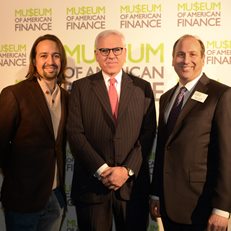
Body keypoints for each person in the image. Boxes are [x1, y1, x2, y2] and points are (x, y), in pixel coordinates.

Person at [67, 29, 156, 231]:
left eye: (116, 49)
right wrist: (102, 170)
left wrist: (126, 170)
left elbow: (148, 133)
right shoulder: (80, 88)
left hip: (132, 188)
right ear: (96, 54)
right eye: (104, 50)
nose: (111, 55)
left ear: (125, 52)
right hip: (92, 187)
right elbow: (75, 133)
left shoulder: (143, 87)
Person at [150, 34, 231, 231]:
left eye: (193, 54)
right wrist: (156, 193)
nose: (186, 60)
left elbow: (227, 154)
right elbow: (163, 149)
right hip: (168, 207)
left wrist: (222, 208)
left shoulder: (220, 94)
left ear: (203, 59)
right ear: (172, 59)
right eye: (180, 54)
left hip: (201, 206)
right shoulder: (168, 97)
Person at [0, 34, 68, 231]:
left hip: (56, 197)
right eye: (44, 56)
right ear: (34, 61)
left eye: (56, 56)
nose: (50, 61)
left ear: (61, 61)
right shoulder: (14, 94)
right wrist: (18, 178)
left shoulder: (67, 97)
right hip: (23, 199)